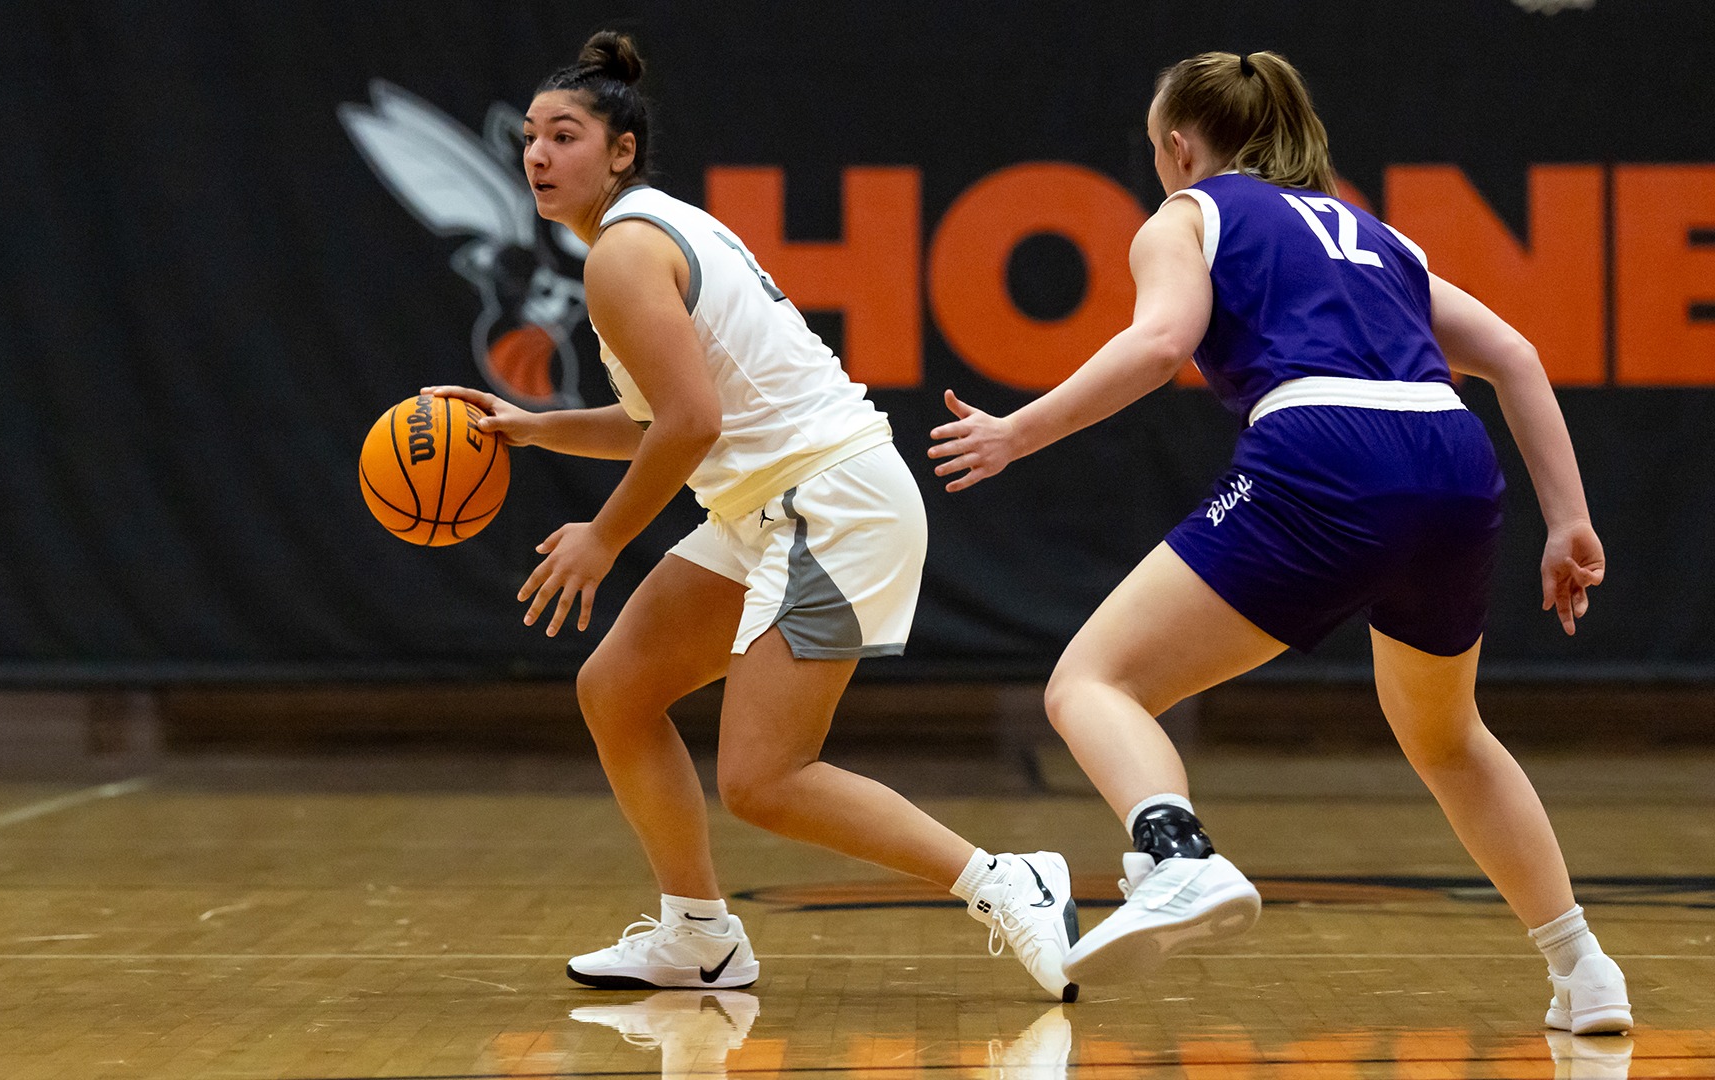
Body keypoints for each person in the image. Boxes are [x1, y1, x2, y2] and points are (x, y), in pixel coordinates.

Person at [929, 50, 1631, 1034]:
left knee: (1090, 683)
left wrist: (1019, 431)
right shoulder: (1376, 234)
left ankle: (1175, 856)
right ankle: (1585, 970)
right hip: (1453, 457)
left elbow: (1160, 343)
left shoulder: (1189, 214)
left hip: (1326, 448)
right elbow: (1513, 354)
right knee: (1448, 737)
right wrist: (1568, 519)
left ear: (1178, 147)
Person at [427, 31, 1077, 1000]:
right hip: (771, 504)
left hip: (830, 501)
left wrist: (603, 538)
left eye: (563, 134)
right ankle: (699, 935)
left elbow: (691, 421)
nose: (535, 154)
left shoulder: (622, 256)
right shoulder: (652, 231)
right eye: (528, 136)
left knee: (763, 779)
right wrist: (535, 429)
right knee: (616, 690)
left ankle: (1005, 881)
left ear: (620, 151)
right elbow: (664, 415)